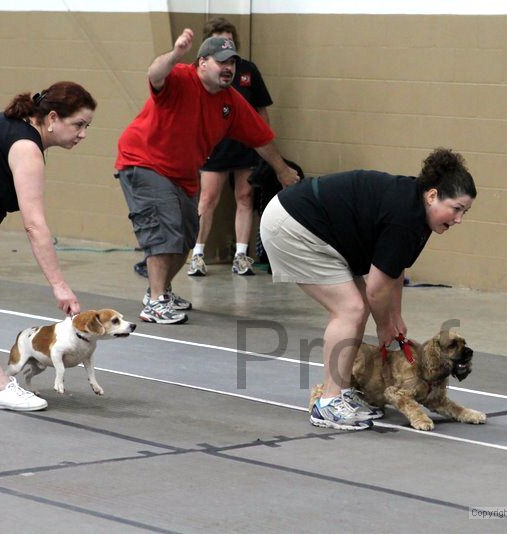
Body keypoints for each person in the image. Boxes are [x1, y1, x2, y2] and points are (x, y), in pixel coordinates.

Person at [260, 148, 476, 430]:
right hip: (293, 225)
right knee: (351, 309)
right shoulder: (406, 216)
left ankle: (342, 392)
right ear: (432, 196)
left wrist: (396, 317)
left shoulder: (418, 214)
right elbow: (376, 288)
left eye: (465, 212)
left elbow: (393, 270)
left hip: (314, 229)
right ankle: (328, 404)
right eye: (456, 208)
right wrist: (385, 326)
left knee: (357, 306)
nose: (459, 218)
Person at [116, 28, 299, 325]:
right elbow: (155, 73)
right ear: (202, 63)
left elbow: (261, 138)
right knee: (164, 233)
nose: (228, 68)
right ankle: (156, 302)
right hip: (145, 163)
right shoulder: (180, 78)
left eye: (232, 63)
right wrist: (176, 52)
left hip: (183, 174)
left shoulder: (231, 101)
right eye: (221, 62)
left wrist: (282, 170)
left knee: (188, 234)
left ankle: (159, 292)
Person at [0, 82, 97, 411]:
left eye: (87, 126)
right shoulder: (26, 147)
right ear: (53, 118)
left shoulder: (19, 135)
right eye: (79, 125)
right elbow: (34, 224)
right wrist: (59, 285)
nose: (83, 134)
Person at [188, 17, 275, 278]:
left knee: (245, 197)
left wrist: (264, 143)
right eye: (220, 41)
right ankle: (198, 254)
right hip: (215, 148)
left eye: (230, 40)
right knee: (207, 199)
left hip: (244, 148)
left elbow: (261, 111)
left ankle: (240, 255)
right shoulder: (199, 74)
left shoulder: (247, 70)